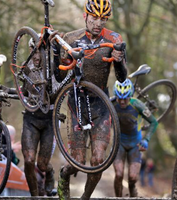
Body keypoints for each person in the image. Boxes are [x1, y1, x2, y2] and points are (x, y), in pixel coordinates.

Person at [51, 0, 127, 199]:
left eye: (103, 19)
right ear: (85, 16)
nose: (98, 23)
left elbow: (122, 78)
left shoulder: (113, 38)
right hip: (77, 105)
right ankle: (64, 175)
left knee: (98, 160)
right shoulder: (71, 38)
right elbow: (58, 77)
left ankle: (85, 197)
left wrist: (119, 60)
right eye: (94, 18)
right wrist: (56, 52)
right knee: (76, 162)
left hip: (101, 107)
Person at [20, 37, 57, 196]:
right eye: (33, 51)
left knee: (42, 164)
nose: (36, 56)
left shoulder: (53, 69)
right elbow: (23, 93)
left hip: (49, 120)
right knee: (28, 161)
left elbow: (60, 92)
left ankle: (49, 172)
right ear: (30, 51)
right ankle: (34, 196)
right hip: (31, 119)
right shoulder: (26, 68)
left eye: (40, 52)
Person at [112, 78, 158, 197]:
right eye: (119, 98)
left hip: (135, 143)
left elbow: (154, 122)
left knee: (132, 177)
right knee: (118, 174)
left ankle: (132, 189)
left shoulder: (138, 104)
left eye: (125, 98)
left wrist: (146, 139)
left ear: (130, 96)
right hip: (119, 143)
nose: (122, 102)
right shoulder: (111, 103)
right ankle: (118, 198)